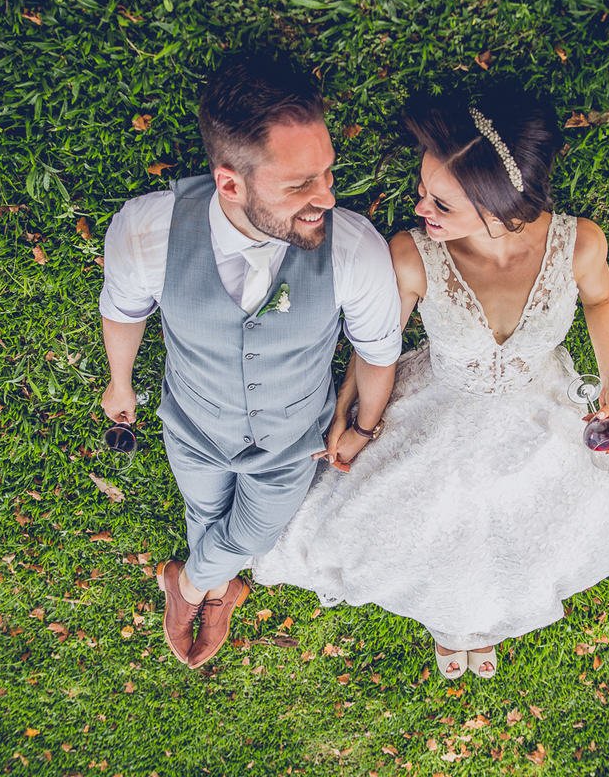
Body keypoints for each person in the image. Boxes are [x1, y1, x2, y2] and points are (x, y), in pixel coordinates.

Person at [250, 91, 609, 678]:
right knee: (430, 530)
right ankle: (449, 620)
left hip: (537, 409)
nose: (422, 208)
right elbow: (377, 349)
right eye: (424, 191)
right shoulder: (412, 256)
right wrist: (356, 420)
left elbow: (600, 301)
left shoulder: (579, 244)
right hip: (437, 405)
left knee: (522, 534)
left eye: (441, 202)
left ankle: (483, 620)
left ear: (500, 208)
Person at [98, 53, 402, 669]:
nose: (326, 198)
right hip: (192, 423)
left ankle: (188, 588)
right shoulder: (148, 230)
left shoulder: (355, 249)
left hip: (293, 441)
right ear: (230, 183)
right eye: (298, 185)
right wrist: (118, 382)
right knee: (205, 511)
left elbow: (378, 351)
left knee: (253, 533)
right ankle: (222, 587)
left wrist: (363, 426)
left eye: (326, 174)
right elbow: (124, 309)